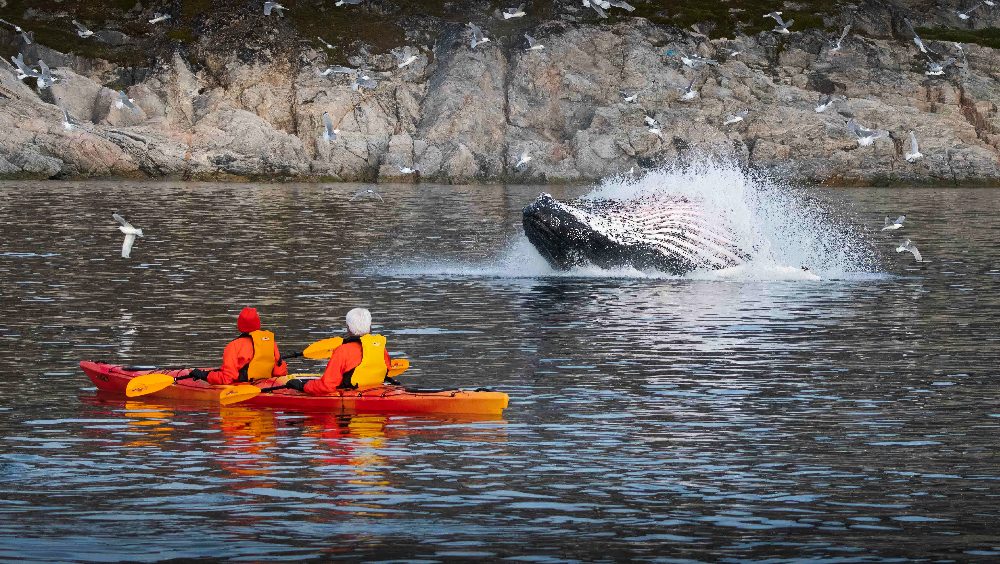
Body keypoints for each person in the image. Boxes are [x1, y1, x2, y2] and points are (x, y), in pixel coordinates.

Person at [286, 308, 390, 395]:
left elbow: (327, 386)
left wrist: (303, 386)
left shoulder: (342, 351)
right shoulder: (381, 349)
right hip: (376, 392)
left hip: (351, 398)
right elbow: (386, 372)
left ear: (348, 329)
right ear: (371, 328)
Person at [188, 307, 288, 385]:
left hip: (244, 387)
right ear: (258, 324)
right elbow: (281, 372)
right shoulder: (270, 343)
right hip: (266, 385)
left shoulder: (233, 346)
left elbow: (227, 379)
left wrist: (205, 376)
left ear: (239, 325)